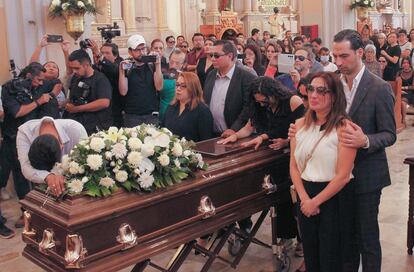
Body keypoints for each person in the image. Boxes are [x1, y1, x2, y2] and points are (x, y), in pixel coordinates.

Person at [332, 29, 396, 272]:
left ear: (360, 53)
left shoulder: (378, 88)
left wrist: (365, 140)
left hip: (367, 176)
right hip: (338, 175)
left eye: (344, 56)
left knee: (367, 238)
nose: (338, 62)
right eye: (335, 56)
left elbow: (390, 134)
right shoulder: (335, 85)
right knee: (346, 239)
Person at [290, 71, 357, 271]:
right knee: (311, 256)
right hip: (306, 196)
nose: (314, 95)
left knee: (331, 258)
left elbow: (343, 176)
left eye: (321, 91)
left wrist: (315, 202)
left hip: (334, 198)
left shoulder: (345, 127)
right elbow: (294, 166)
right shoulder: (299, 125)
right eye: (311, 89)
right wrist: (304, 199)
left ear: (334, 96)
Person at [1, 62, 57, 228]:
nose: (41, 83)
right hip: (15, 139)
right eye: (38, 80)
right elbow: (17, 112)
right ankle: (27, 213)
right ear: (28, 76)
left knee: (40, 175)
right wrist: (39, 101)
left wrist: (52, 93)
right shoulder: (10, 88)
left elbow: (56, 82)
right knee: (22, 177)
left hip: (36, 138)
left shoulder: (38, 85)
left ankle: (42, 212)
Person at [17, 116, 87, 197]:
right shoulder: (25, 132)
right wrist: (48, 176)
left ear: (61, 145)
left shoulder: (76, 130)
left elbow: (85, 164)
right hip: (45, 185)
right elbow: (26, 166)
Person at [203, 40, 257, 138]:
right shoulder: (211, 75)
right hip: (212, 134)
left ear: (230, 56)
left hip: (237, 134)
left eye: (217, 56)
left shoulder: (246, 78)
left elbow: (248, 108)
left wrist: (234, 129)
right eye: (211, 56)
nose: (213, 59)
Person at [118, 34, 163, 127]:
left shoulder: (152, 65)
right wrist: (121, 71)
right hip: (131, 115)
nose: (141, 52)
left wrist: (158, 65)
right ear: (130, 52)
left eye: (143, 49)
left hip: (151, 114)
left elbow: (159, 87)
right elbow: (123, 91)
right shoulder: (127, 66)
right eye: (137, 50)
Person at [65, 49, 112, 135]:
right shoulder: (75, 78)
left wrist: (76, 109)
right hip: (77, 126)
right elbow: (73, 98)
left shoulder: (100, 79)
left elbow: (104, 102)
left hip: (95, 128)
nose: (74, 71)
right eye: (72, 68)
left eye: (77, 68)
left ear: (86, 65)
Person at [162, 72, 213, 142]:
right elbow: (163, 129)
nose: (178, 89)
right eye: (177, 85)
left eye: (183, 86)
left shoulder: (202, 111)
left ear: (193, 88)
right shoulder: (171, 107)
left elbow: (206, 142)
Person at [89, 40, 124, 128]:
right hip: (97, 115)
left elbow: (113, 70)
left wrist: (98, 54)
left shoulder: (119, 67)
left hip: (114, 113)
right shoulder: (94, 69)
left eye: (107, 53)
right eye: (102, 53)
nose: (103, 55)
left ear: (115, 56)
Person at [159, 49, 186, 121]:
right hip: (162, 114)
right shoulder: (162, 75)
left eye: (177, 63)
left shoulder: (187, 78)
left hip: (180, 116)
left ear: (183, 64)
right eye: (171, 62)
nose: (173, 65)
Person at [397, 57, 414, 126]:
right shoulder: (399, 72)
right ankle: (403, 120)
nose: (405, 64)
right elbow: (396, 84)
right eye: (404, 63)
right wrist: (400, 90)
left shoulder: (413, 72)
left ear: (410, 64)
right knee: (402, 103)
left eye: (407, 63)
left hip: (412, 92)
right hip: (402, 92)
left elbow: (413, 86)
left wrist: (403, 87)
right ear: (402, 64)